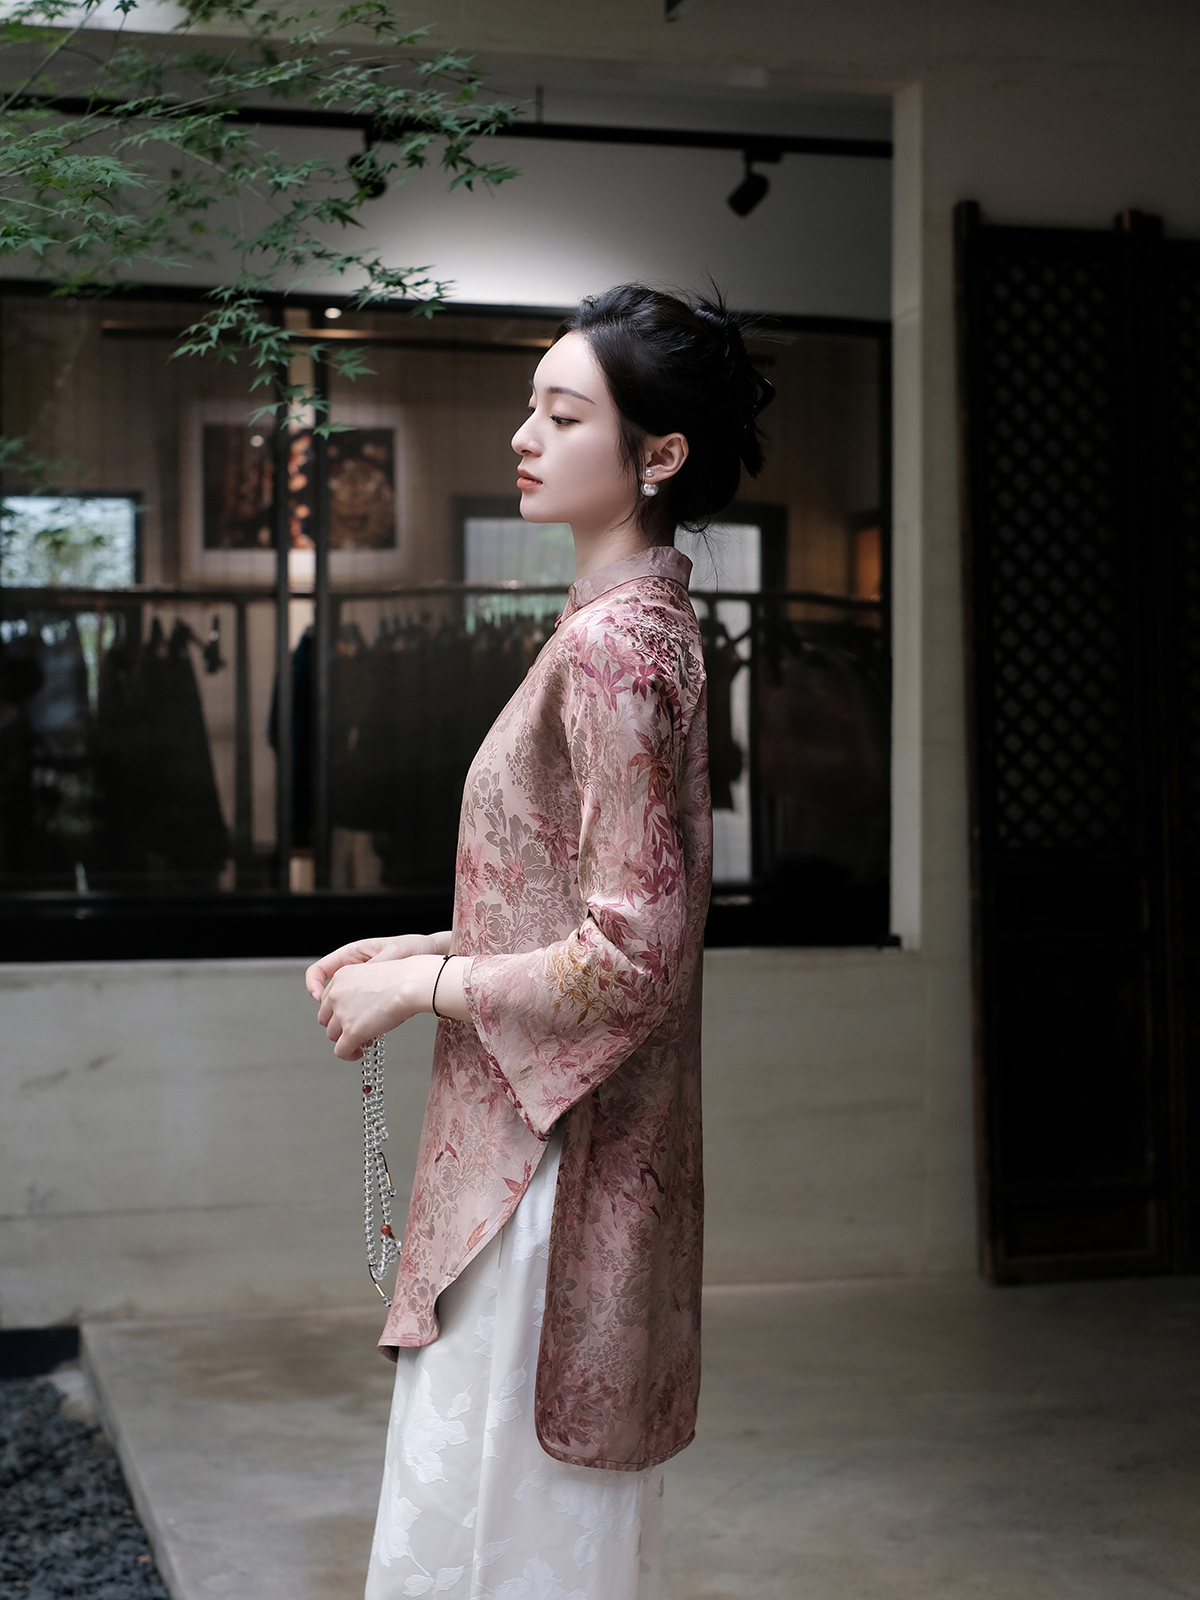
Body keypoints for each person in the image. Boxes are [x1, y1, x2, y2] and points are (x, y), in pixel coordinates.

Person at [305, 283, 773, 1600]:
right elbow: (570, 906)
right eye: (533, 407)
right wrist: (412, 953)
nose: (524, 436)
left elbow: (630, 954)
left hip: (547, 1171)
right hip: (540, 1142)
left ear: (659, 455)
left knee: (491, 1541)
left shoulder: (617, 649)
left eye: (565, 416)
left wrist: (426, 984)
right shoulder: (622, 629)